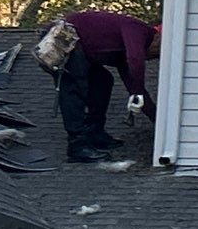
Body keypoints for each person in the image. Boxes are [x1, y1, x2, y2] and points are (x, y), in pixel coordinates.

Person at [52, 10, 160, 163]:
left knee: (103, 81)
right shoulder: (139, 30)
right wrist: (137, 92)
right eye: (157, 53)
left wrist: (158, 121)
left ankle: (94, 133)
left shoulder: (122, 50)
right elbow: (135, 60)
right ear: (157, 38)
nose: (152, 58)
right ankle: (77, 146)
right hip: (65, 38)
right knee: (74, 86)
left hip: (81, 47)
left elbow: (135, 88)